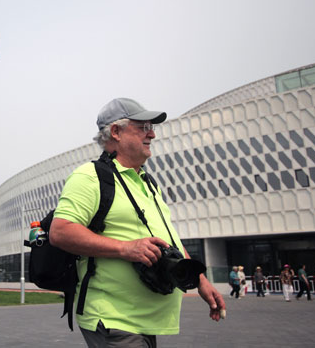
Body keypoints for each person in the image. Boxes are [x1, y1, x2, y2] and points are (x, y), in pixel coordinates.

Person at [49, 98, 225, 347]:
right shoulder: (89, 177)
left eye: (151, 127)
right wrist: (125, 248)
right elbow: (60, 232)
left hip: (143, 320)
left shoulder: (148, 183)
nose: (152, 134)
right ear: (116, 132)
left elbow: (169, 238)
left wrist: (200, 280)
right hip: (114, 318)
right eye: (143, 127)